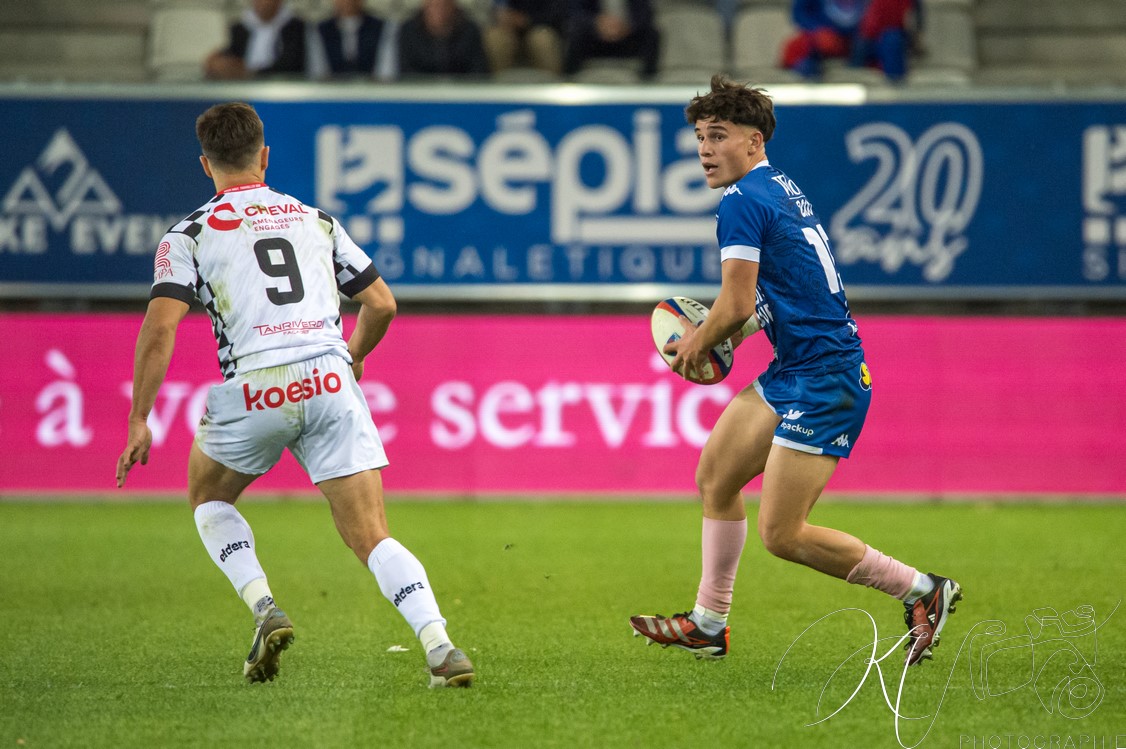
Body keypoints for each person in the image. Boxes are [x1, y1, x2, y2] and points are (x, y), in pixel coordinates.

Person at [115, 102, 474, 688]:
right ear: (264, 156)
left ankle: (264, 609)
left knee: (209, 497)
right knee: (372, 534)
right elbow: (381, 303)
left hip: (256, 386)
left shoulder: (189, 234)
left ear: (206, 165)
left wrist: (139, 417)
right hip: (329, 380)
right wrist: (352, 357)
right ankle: (440, 646)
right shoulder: (316, 220)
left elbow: (161, 326)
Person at [628, 76, 961, 668]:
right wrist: (719, 336)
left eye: (719, 136)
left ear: (754, 141)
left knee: (783, 535)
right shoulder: (778, 188)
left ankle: (921, 589)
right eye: (700, 137)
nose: (705, 148)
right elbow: (771, 300)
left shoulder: (740, 201)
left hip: (827, 378)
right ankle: (707, 623)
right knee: (716, 478)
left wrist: (696, 346)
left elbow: (733, 306)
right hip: (797, 368)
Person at [780, 0, 919, 81]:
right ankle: (809, 101)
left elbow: (900, 18)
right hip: (830, 40)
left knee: (892, 40)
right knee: (797, 47)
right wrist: (818, 30)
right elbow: (799, 13)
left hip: (869, 42)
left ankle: (895, 101)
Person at [204, 0, 307, 80]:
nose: (260, 3)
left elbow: (291, 65)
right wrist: (219, 62)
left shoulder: (296, 27)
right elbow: (234, 53)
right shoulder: (240, 28)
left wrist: (251, 73)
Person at [562, 0, 660, 80]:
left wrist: (627, 27)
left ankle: (649, 82)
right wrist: (597, 23)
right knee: (576, 35)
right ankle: (569, 81)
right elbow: (576, 13)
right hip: (595, 40)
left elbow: (645, 14)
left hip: (627, 38)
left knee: (652, 35)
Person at [307, 0, 398, 81]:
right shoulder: (321, 29)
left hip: (373, 94)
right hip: (332, 94)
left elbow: (386, 74)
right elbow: (318, 74)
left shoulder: (381, 27)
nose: (347, 2)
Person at [397, 0, 490, 79]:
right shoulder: (409, 30)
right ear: (425, 5)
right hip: (420, 95)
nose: (439, 11)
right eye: (434, 5)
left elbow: (478, 72)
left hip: (461, 94)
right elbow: (407, 73)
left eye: (444, 5)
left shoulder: (470, 31)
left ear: (453, 6)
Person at [483, 0, 567, 77]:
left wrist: (525, 20)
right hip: (506, 30)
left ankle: (552, 88)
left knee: (542, 40)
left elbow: (557, 13)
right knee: (495, 39)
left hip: (539, 26)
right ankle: (496, 90)